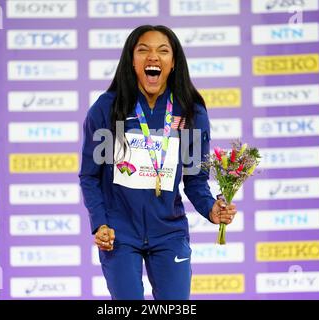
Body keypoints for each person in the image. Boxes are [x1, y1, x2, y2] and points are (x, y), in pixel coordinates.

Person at [79, 25, 237, 300]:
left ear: (173, 62)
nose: (153, 57)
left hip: (169, 232)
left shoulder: (190, 112)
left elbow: (195, 179)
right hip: (119, 234)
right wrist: (100, 223)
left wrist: (211, 209)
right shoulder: (107, 108)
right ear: (132, 61)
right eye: (143, 50)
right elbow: (90, 176)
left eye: (163, 51)